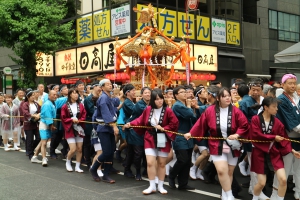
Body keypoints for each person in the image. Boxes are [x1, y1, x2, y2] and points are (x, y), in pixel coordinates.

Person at [184, 87, 249, 200]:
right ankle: (229, 195)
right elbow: (201, 123)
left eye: (229, 95)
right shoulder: (210, 110)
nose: (228, 98)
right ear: (218, 98)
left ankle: (225, 194)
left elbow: (244, 125)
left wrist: (237, 135)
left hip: (233, 144)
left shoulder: (236, 111)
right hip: (216, 143)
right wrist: (191, 133)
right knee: (221, 170)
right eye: (224, 96)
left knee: (229, 172)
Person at [123, 89, 179, 195]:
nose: (159, 101)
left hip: (162, 137)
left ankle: (161, 186)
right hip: (149, 136)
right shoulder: (148, 109)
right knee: (150, 162)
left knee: (162, 163)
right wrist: (130, 124)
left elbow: (175, 123)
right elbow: (140, 120)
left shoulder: (168, 110)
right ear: (153, 100)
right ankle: (152, 185)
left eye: (161, 98)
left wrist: (164, 127)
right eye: (157, 99)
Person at [250, 97, 300, 200]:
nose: (276, 109)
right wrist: (273, 137)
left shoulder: (277, 122)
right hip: (259, 154)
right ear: (266, 107)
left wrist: (292, 150)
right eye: (274, 107)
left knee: (283, 180)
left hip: (274, 153)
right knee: (261, 183)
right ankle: (255, 198)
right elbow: (255, 135)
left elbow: (284, 138)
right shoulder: (255, 119)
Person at [270, 73, 300, 200]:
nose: (293, 86)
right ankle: (276, 195)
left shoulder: (297, 98)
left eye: (294, 83)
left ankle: (298, 191)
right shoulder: (281, 100)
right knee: (284, 170)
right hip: (286, 139)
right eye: (290, 83)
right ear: (283, 85)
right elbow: (291, 122)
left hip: (298, 138)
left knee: (299, 169)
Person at [89, 79, 119, 183]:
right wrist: (115, 127)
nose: (110, 86)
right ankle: (93, 169)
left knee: (111, 152)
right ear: (102, 87)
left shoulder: (109, 97)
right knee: (106, 152)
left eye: (111, 84)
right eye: (107, 84)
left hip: (109, 127)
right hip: (103, 128)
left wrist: (116, 95)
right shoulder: (103, 98)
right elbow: (107, 115)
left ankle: (106, 175)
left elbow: (116, 106)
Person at [169, 86, 197, 190]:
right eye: (182, 92)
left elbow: (194, 118)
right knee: (182, 159)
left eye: (185, 92)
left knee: (187, 161)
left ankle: (183, 183)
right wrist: (190, 106)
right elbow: (189, 114)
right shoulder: (177, 105)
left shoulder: (184, 104)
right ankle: (172, 175)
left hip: (188, 135)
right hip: (180, 135)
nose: (185, 94)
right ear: (176, 95)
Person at [126, 87, 151, 180]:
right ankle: (137, 172)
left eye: (149, 93)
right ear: (141, 95)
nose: (148, 94)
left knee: (144, 152)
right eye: (146, 93)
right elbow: (148, 114)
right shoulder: (140, 105)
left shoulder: (150, 104)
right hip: (134, 130)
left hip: (144, 131)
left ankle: (144, 170)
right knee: (137, 153)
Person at [61, 89, 87, 173]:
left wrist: (79, 120)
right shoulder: (65, 106)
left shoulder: (80, 105)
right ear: (70, 95)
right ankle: (68, 162)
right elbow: (63, 118)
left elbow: (84, 115)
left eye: (77, 93)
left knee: (79, 149)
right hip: (70, 129)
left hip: (79, 128)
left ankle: (77, 166)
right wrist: (71, 119)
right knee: (73, 149)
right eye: (74, 93)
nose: (76, 95)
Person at [83, 82, 102, 168]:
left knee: (96, 143)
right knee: (88, 142)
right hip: (90, 122)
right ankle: (87, 161)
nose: (100, 88)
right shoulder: (88, 99)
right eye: (98, 86)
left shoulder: (101, 97)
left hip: (98, 123)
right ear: (94, 87)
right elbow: (92, 111)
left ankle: (95, 160)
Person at [39, 90, 57, 166]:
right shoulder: (47, 104)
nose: (55, 96)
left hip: (49, 124)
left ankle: (35, 156)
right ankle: (43, 159)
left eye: (56, 95)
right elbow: (47, 115)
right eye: (53, 94)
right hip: (44, 124)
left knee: (44, 142)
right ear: (49, 95)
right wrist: (51, 125)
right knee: (43, 143)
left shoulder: (53, 103)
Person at [122, 84, 137, 178]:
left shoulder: (132, 102)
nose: (135, 92)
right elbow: (135, 112)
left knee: (132, 150)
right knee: (131, 150)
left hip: (133, 128)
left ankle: (128, 167)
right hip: (130, 128)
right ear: (127, 93)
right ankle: (127, 169)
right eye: (133, 90)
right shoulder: (127, 102)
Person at [21, 90, 41, 160]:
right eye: (32, 95)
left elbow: (40, 111)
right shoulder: (25, 104)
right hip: (28, 123)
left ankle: (31, 149)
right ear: (28, 97)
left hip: (35, 123)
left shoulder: (36, 104)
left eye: (34, 95)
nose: (33, 97)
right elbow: (26, 113)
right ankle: (30, 153)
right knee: (29, 139)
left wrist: (38, 115)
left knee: (39, 138)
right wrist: (33, 115)